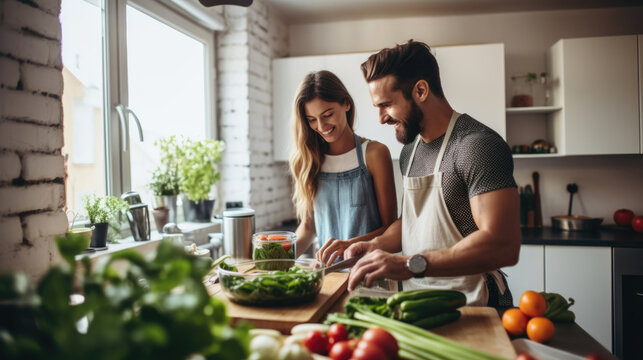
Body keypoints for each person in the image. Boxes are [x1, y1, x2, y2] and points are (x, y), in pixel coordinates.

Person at [344, 40, 521, 307]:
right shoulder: (410, 151)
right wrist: (376, 245)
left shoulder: (476, 145)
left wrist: (409, 264)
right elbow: (415, 223)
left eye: (387, 105)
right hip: (419, 302)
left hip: (476, 305)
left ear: (421, 90)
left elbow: (503, 245)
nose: (381, 118)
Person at [289, 70, 397, 265]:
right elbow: (308, 227)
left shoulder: (374, 154)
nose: (321, 126)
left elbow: (390, 229)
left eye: (328, 114)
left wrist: (348, 245)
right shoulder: (306, 161)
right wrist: (272, 263)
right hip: (328, 277)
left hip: (372, 274)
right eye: (312, 119)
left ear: (346, 103)